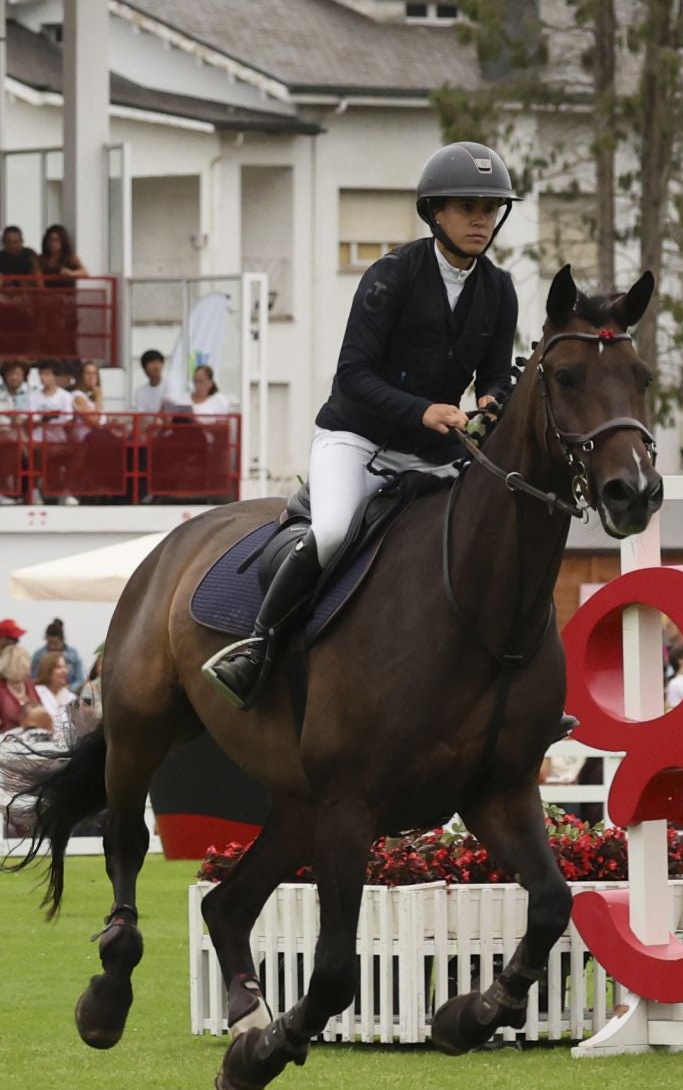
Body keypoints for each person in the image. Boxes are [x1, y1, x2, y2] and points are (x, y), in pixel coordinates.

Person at [204, 140, 520, 710]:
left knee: (495, 534)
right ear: (435, 213)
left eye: (491, 207)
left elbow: (497, 373)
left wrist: (493, 402)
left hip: (437, 452)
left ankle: (514, 678)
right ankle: (259, 647)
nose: (481, 219)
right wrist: (423, 410)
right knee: (330, 532)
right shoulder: (392, 274)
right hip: (357, 439)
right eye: (468, 206)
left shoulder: (498, 288)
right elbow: (352, 376)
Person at [0, 618, 38, 731]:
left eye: (17, 639)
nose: (16, 642)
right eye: (12, 638)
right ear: (1, 638)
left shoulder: (25, 681)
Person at [33, 651, 76, 744]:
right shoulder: (37, 693)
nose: (64, 671)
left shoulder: (71, 697)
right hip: (41, 743)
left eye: (65, 667)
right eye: (58, 667)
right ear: (47, 671)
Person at [28, 618, 84, 691]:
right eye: (49, 643)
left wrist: (70, 688)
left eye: (55, 643)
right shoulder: (39, 655)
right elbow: (33, 678)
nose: (52, 646)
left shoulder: (73, 653)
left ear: (62, 640)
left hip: (70, 691)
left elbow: (80, 679)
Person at [134, 349, 167, 414]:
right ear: (144, 368)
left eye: (159, 362)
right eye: (152, 362)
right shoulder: (140, 392)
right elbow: (141, 416)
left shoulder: (171, 386)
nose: (156, 366)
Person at [72, 358, 104, 425]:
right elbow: (94, 420)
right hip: (87, 434)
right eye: (88, 373)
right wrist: (99, 397)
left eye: (94, 373)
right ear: (81, 376)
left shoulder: (92, 395)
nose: (91, 377)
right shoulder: (77, 395)